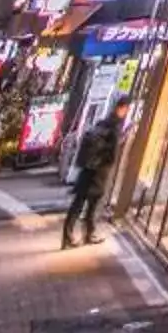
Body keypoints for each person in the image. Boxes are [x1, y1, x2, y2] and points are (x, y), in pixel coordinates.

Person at [62, 105, 123, 247]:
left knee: (78, 204)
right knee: (92, 205)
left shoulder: (100, 124)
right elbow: (113, 156)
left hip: (86, 171)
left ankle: (68, 236)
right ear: (122, 109)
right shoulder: (114, 129)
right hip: (98, 173)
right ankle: (89, 234)